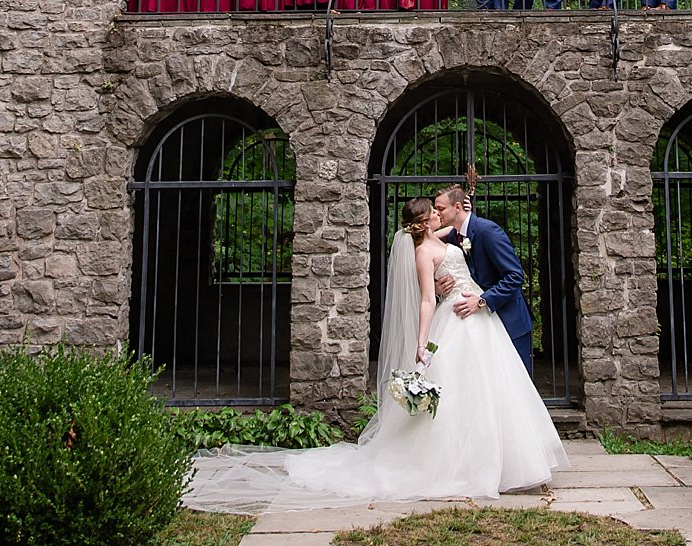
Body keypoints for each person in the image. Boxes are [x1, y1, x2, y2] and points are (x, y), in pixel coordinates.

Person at [178, 195, 566, 511]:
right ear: (424, 222)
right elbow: (427, 300)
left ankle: (504, 463)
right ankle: (464, 464)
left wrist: (465, 208)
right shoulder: (424, 252)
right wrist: (421, 341)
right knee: (459, 390)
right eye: (433, 211)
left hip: (478, 317)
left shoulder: (447, 237)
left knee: (490, 388)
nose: (438, 213)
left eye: (440, 208)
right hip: (453, 316)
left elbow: (461, 228)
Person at [431, 183, 537, 375]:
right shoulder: (454, 235)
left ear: (457, 207)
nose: (437, 214)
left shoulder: (487, 231)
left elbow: (515, 276)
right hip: (484, 327)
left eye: (440, 209)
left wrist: (482, 301)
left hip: (509, 321)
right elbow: (424, 243)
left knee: (516, 385)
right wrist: (436, 287)